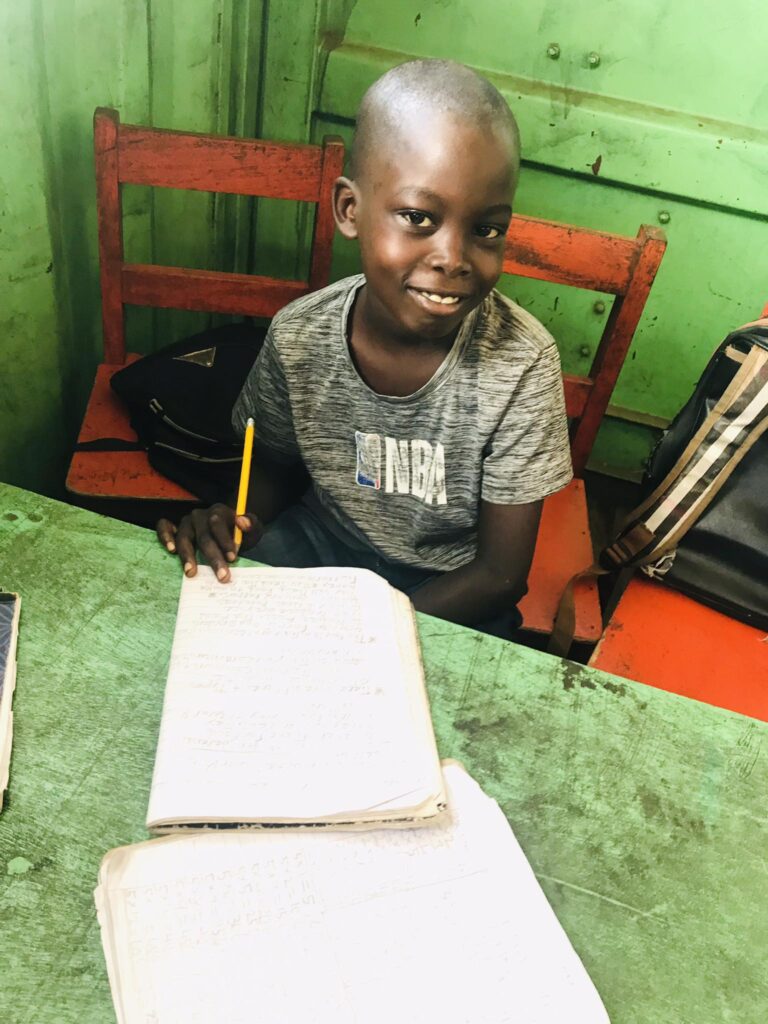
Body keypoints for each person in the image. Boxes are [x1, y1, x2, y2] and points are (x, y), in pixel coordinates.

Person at [157, 59, 572, 636]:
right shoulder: (300, 336)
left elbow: (501, 575)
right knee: (216, 630)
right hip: (321, 545)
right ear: (350, 210)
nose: (453, 257)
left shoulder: (522, 365)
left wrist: (366, 635)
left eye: (486, 229)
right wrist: (237, 519)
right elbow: (272, 464)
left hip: (450, 590)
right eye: (418, 217)